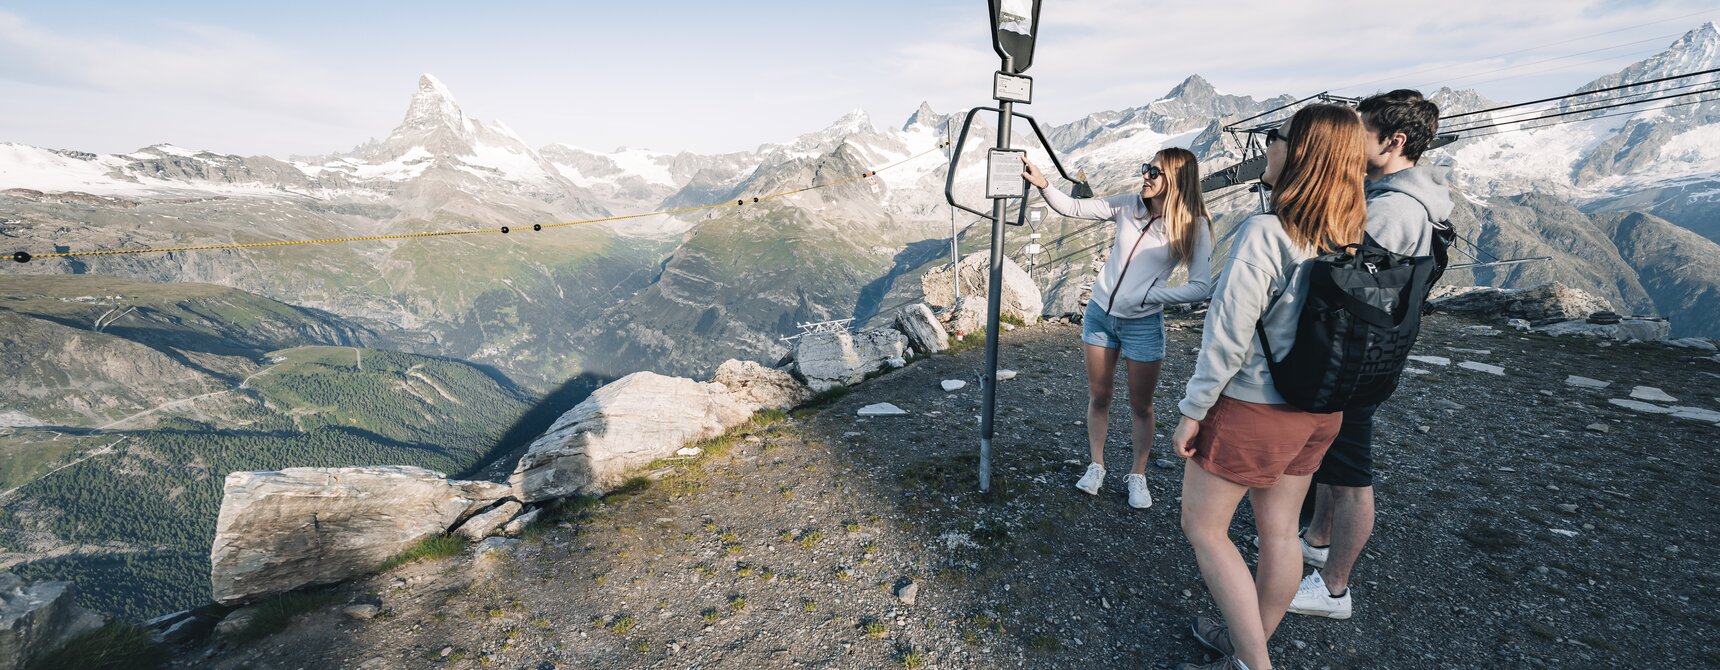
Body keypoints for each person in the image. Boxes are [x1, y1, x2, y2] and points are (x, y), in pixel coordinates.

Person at [1168, 104, 1369, 670]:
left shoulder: (1267, 233)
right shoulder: (1351, 235)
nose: (1267, 149)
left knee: (1204, 528)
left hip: (1255, 408)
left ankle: (1254, 663)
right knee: (1280, 533)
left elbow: (1227, 338)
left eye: (1273, 138)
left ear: (1298, 152)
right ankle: (1247, 648)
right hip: (1320, 411)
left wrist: (1192, 410)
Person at [1289, 89, 1453, 621]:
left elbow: (1353, 285)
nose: (1350, 140)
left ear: (1394, 141)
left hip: (1355, 356)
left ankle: (1334, 589)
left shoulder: (1393, 210)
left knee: (1352, 474)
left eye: (1361, 131)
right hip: (1369, 353)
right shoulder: (1402, 198)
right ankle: (1318, 538)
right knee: (1333, 459)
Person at [1021, 148, 1213, 510]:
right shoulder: (1128, 206)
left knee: (1141, 406)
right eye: (1146, 168)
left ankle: (1138, 475)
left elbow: (1201, 286)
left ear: (1175, 179)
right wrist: (1043, 183)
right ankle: (1096, 465)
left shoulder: (1194, 224)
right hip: (1099, 316)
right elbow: (1074, 207)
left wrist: (1150, 296)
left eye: (1154, 172)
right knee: (1099, 397)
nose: (1145, 175)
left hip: (1143, 325)